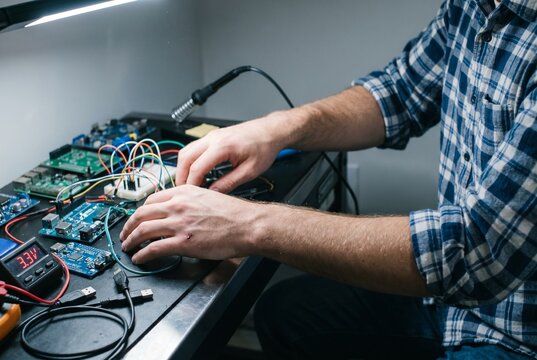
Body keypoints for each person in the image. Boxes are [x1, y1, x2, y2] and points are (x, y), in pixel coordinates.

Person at [119, 0, 537, 358]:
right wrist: (278, 127)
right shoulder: (475, 6)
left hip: (516, 335)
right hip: (452, 305)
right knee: (286, 315)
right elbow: (399, 93)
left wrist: (246, 224)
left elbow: (476, 250)